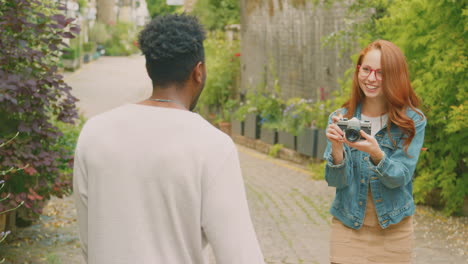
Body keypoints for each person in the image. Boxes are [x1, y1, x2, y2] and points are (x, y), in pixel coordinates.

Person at [73, 14, 265, 264]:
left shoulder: (94, 132)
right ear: (199, 72)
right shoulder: (212, 145)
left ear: (148, 69)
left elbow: (89, 240)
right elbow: (239, 254)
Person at [323, 40, 426, 264]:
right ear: (358, 70)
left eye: (381, 73)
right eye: (367, 70)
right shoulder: (341, 117)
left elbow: (400, 177)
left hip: (394, 231)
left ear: (395, 76)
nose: (371, 79)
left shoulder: (412, 121)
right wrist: (337, 149)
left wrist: (377, 154)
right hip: (348, 227)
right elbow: (335, 181)